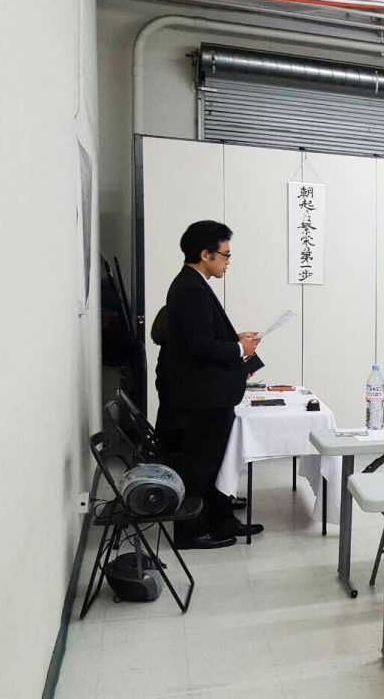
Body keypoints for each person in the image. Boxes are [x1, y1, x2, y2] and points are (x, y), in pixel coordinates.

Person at [155, 220, 264, 550]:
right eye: (225, 255)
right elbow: (201, 346)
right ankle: (190, 532)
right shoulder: (190, 289)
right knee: (199, 465)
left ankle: (219, 519)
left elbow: (200, 336)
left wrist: (235, 339)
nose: (228, 261)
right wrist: (238, 349)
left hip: (205, 394)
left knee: (215, 461)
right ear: (206, 254)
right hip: (198, 399)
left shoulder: (194, 284)